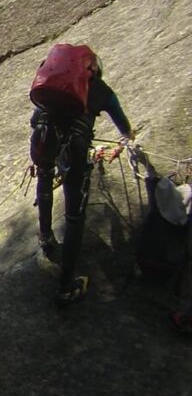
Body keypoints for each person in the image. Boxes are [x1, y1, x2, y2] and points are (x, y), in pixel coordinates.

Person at [29, 50, 134, 306]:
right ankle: (65, 288)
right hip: (74, 149)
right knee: (75, 217)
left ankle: (45, 236)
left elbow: (35, 118)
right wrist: (128, 138)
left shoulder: (52, 86)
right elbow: (123, 124)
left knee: (44, 181)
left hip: (43, 139)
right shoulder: (100, 89)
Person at [134, 155, 192, 334]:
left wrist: (147, 165)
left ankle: (186, 318)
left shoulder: (179, 198)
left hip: (160, 261)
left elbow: (157, 187)